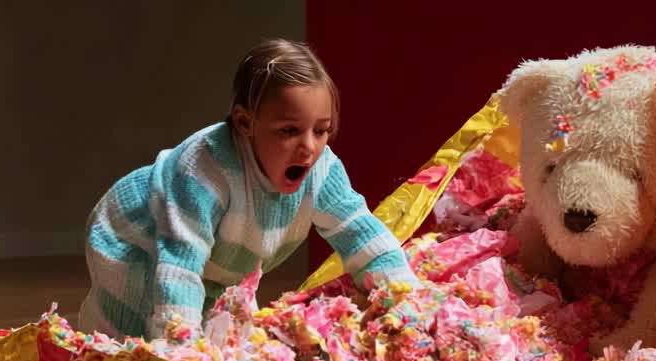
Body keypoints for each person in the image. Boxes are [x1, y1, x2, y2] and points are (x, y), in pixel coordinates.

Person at [79, 38, 418, 339]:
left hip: (219, 257)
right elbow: (178, 266)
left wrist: (406, 300)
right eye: (289, 131)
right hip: (139, 237)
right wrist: (178, 352)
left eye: (321, 130)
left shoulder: (322, 170)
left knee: (229, 334)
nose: (308, 148)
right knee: (134, 337)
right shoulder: (203, 171)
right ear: (245, 123)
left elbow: (361, 233)